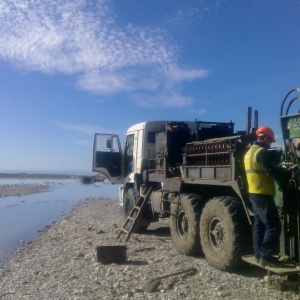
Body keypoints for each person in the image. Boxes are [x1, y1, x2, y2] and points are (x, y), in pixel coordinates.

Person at [244, 126, 282, 267]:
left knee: (259, 225)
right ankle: (266, 255)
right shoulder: (261, 153)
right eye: (270, 141)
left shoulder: (249, 153)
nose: (270, 144)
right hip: (263, 193)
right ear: (265, 138)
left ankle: (258, 254)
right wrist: (288, 175)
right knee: (274, 226)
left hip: (253, 192)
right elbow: (270, 171)